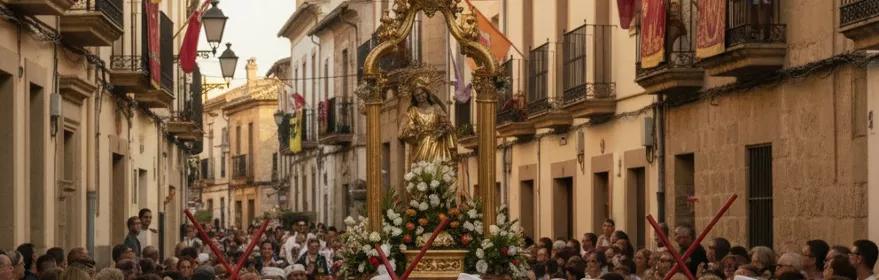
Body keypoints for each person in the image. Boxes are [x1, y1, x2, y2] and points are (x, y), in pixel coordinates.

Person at [399, 75, 458, 164]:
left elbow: (447, 124)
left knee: (439, 166)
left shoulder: (436, 108)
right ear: (414, 97)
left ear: (426, 93)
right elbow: (409, 128)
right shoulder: (413, 111)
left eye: (422, 93)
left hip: (438, 143)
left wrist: (440, 131)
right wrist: (414, 130)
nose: (420, 96)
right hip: (423, 144)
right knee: (424, 166)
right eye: (417, 95)